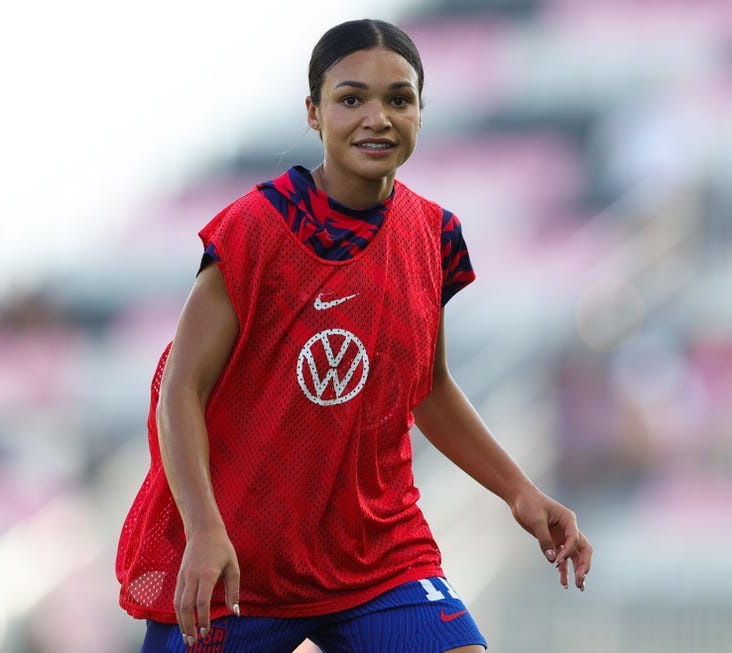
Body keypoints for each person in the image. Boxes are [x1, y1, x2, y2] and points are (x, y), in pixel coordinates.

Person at [116, 18, 593, 653]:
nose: (378, 117)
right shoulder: (255, 229)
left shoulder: (434, 234)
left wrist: (521, 494)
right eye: (351, 99)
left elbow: (429, 388)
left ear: (421, 112)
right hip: (241, 561)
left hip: (378, 557)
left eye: (399, 99)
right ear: (313, 113)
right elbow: (179, 391)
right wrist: (204, 529)